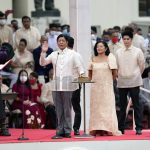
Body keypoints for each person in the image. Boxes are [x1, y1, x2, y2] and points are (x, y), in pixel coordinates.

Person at [40, 34, 84, 139]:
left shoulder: (73, 54)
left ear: (67, 42)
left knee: (67, 109)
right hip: (56, 85)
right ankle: (60, 131)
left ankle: (67, 130)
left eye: (63, 41)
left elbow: (80, 67)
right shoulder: (54, 54)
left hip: (68, 84)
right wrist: (43, 52)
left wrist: (81, 76)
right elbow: (43, 63)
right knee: (59, 109)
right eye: (59, 41)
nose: (61, 42)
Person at [88, 41, 121, 136]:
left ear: (106, 48)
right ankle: (96, 128)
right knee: (96, 108)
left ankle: (108, 128)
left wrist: (107, 82)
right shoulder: (92, 58)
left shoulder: (110, 57)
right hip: (95, 88)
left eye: (101, 46)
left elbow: (115, 73)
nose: (99, 48)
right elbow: (90, 74)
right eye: (97, 46)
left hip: (106, 87)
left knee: (107, 107)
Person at [115, 31, 145, 135]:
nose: (126, 41)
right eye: (124, 39)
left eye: (128, 39)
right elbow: (116, 66)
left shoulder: (138, 51)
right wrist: (120, 76)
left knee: (136, 105)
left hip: (135, 81)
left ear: (131, 40)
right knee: (122, 106)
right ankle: (121, 128)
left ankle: (138, 128)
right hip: (122, 81)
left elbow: (142, 66)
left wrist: (136, 74)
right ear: (122, 39)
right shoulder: (118, 52)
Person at [67, 36, 83, 135]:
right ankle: (65, 127)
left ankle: (76, 128)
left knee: (75, 106)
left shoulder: (75, 55)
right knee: (65, 106)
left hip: (74, 83)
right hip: (64, 83)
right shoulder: (61, 55)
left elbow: (81, 68)